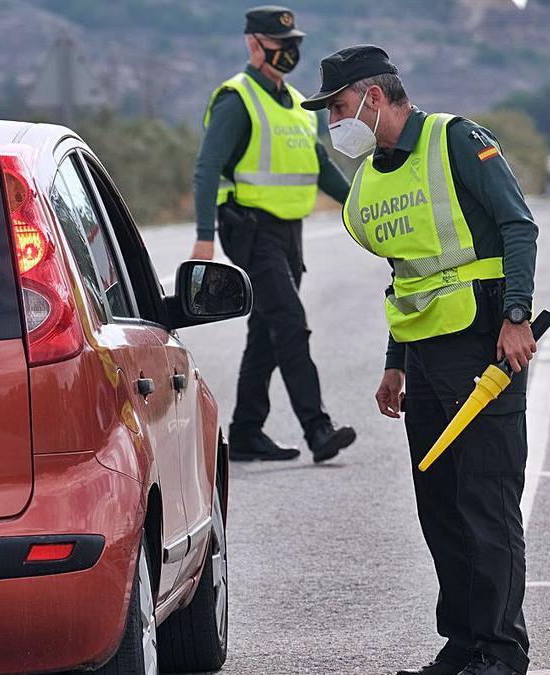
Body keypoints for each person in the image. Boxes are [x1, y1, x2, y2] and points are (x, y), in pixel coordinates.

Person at [302, 45, 539, 675]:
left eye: (340, 107)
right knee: (438, 502)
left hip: (484, 343)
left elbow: (518, 225)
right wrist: (394, 360)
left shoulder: (456, 141)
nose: (335, 123)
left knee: (484, 500)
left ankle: (501, 651)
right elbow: (407, 273)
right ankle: (463, 641)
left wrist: (516, 316)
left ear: (374, 97)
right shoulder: (373, 177)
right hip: (424, 354)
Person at [192, 4, 356, 463]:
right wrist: (204, 236)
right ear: (253, 44)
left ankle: (245, 431)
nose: (288, 52)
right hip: (249, 229)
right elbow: (206, 170)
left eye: (293, 45)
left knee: (265, 332)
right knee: (289, 324)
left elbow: (321, 166)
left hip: (288, 233)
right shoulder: (236, 98)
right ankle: (318, 429)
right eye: (280, 45)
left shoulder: (301, 108)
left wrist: (362, 206)